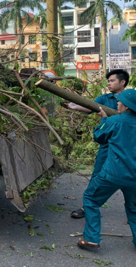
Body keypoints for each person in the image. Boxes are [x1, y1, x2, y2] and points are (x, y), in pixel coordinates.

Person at [78, 89, 136, 249]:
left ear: (125, 105)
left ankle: (91, 238)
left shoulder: (114, 121)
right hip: (134, 177)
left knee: (90, 199)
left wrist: (104, 120)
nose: (117, 103)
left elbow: (99, 137)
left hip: (113, 173)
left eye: (119, 101)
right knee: (134, 208)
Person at [68, 69, 129, 219]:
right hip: (108, 142)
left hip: (128, 143)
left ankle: (132, 209)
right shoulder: (104, 98)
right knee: (98, 173)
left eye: (112, 81)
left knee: (129, 175)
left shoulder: (130, 98)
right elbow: (90, 107)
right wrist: (75, 107)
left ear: (122, 82)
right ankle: (86, 206)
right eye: (108, 81)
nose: (109, 83)